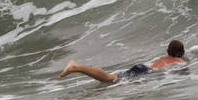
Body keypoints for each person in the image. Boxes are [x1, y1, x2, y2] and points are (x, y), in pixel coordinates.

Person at [58, 40, 187, 83]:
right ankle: (76, 67)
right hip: (146, 72)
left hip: (143, 67)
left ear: (167, 50)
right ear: (182, 52)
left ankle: (77, 67)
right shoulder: (179, 60)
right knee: (109, 79)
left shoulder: (164, 58)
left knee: (110, 80)